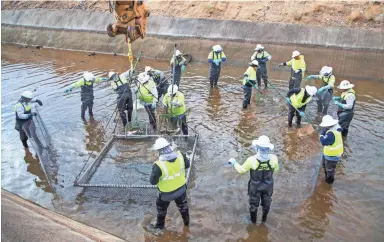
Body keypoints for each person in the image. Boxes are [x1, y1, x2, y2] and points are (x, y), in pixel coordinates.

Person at [228, 135, 279, 223]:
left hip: (255, 187)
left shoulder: (252, 160)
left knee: (253, 205)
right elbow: (277, 170)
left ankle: (253, 222)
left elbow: (241, 171)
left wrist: (234, 162)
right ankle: (264, 221)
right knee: (266, 204)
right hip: (268, 186)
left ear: (257, 147)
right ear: (268, 148)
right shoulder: (274, 159)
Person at [150, 137, 190, 229]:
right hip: (181, 190)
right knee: (184, 208)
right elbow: (187, 165)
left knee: (161, 211)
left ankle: (159, 229)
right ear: (169, 146)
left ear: (159, 151)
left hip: (165, 195)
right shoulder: (180, 155)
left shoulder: (158, 165)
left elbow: (153, 182)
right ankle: (187, 225)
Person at [319, 115, 344, 184]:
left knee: (329, 169)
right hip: (333, 154)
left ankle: (329, 182)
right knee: (324, 165)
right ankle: (327, 177)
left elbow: (323, 142)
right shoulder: (337, 127)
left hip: (331, 156)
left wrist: (321, 135)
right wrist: (325, 131)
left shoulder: (331, 133)